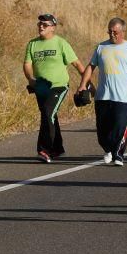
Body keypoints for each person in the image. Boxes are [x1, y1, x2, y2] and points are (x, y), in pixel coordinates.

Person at [79, 17, 127, 166]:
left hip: (123, 97)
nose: (112, 35)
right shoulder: (101, 47)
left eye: (115, 32)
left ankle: (118, 154)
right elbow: (90, 66)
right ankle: (107, 149)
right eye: (110, 32)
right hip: (103, 96)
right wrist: (82, 85)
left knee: (120, 127)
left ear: (123, 32)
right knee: (102, 130)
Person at [23, 13, 85, 163]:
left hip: (59, 86)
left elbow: (76, 64)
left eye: (44, 24)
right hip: (41, 88)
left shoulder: (60, 43)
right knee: (49, 115)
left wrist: (87, 83)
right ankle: (58, 148)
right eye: (39, 24)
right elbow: (27, 65)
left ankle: (45, 149)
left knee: (48, 112)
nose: (41, 27)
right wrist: (31, 79)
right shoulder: (32, 44)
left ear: (53, 27)